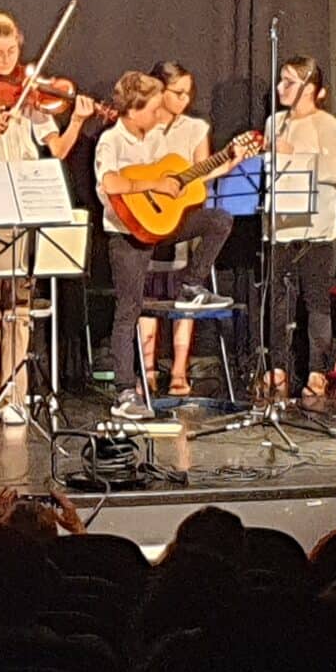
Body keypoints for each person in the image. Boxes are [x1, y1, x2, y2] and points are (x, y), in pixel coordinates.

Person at [0, 11, 96, 426]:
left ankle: (16, 394)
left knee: (19, 303)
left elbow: (57, 149)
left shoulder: (30, 93)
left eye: (12, 51)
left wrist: (77, 120)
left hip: (25, 193)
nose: (6, 60)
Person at [95, 71, 234, 421]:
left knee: (218, 219)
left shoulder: (155, 137)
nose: (160, 115)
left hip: (162, 223)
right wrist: (154, 182)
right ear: (133, 109)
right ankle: (125, 391)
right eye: (154, 108)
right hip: (128, 232)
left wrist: (227, 160)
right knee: (129, 309)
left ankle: (191, 284)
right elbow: (110, 181)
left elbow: (180, 174)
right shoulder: (111, 141)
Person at [261, 56, 336, 404]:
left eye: (289, 82)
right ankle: (278, 367)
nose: (281, 88)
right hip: (280, 222)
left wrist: (294, 152)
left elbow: (334, 167)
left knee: (315, 299)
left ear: (309, 89)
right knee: (279, 298)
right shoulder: (274, 123)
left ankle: (318, 370)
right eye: (281, 80)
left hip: (316, 224)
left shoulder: (326, 123)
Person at [145, 60, 211, 396]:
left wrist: (229, 162)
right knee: (148, 293)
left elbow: (202, 171)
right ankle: (146, 369)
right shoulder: (142, 123)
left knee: (180, 294)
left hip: (180, 217)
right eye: (177, 92)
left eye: (189, 93)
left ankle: (180, 370)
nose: (184, 99)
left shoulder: (195, 128)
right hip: (146, 217)